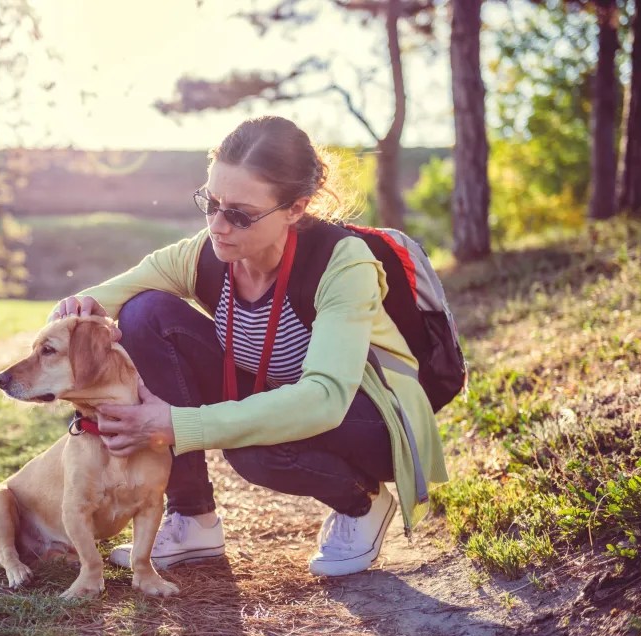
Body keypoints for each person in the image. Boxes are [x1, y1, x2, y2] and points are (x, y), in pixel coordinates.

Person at [48, 116, 447, 577]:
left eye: (239, 213)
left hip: (366, 415)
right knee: (145, 313)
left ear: (296, 208)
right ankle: (193, 518)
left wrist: (177, 424)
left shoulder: (343, 263)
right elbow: (114, 294)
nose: (218, 225)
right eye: (210, 203)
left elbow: (323, 400)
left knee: (253, 450)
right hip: (282, 392)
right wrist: (75, 312)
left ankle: (363, 501)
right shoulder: (209, 252)